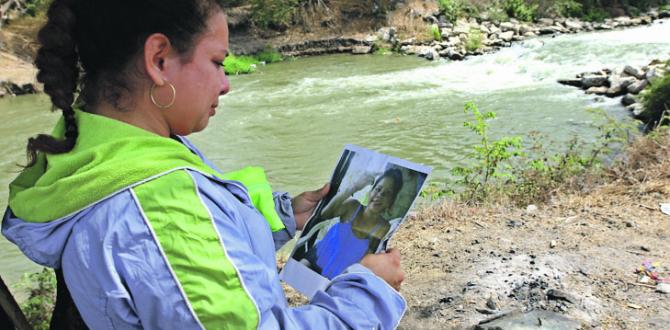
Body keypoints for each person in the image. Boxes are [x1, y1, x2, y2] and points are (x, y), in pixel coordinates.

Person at [1, 1, 405, 329]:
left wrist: (282, 216)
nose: (226, 83)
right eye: (217, 62)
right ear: (158, 60)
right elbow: (171, 243)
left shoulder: (102, 155)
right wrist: (367, 291)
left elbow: (178, 266)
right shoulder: (161, 206)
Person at [304, 169, 404, 279]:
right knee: (296, 272)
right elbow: (325, 214)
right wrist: (355, 187)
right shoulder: (352, 206)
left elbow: (368, 256)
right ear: (371, 191)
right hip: (318, 257)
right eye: (378, 189)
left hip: (340, 273)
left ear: (391, 201)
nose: (379, 195)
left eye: (387, 194)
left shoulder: (383, 226)